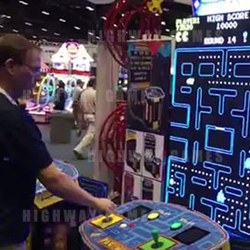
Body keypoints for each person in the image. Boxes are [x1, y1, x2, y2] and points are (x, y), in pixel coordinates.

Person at [0, 34, 116, 249]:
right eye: (34, 69)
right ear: (11, 66)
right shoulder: (12, 118)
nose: (37, 77)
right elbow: (53, 179)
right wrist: (96, 202)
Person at [73, 78, 96, 159]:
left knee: (90, 134)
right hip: (93, 116)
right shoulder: (94, 93)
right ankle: (78, 149)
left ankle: (92, 153)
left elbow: (79, 105)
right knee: (91, 135)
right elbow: (97, 105)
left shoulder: (83, 93)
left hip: (85, 115)